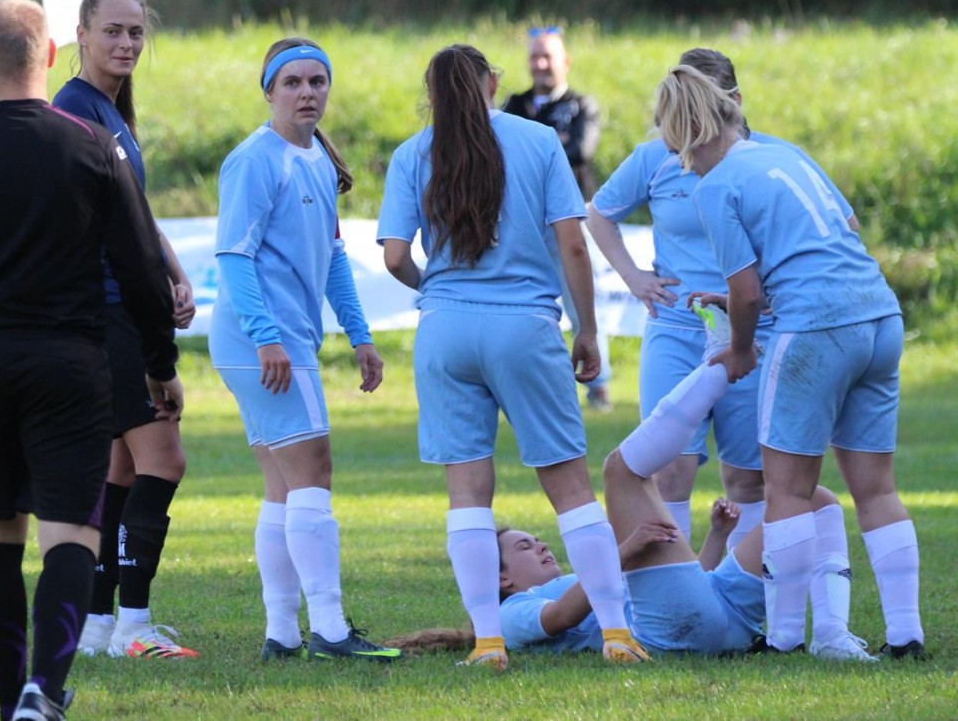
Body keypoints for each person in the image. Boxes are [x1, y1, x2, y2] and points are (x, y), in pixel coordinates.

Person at [0, 0, 181, 721]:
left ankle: (10, 700)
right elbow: (142, 270)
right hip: (70, 365)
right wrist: (160, 365)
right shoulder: (92, 146)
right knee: (72, 533)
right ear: (51, 53)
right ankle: (43, 690)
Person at [378, 44, 646, 670]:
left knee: (468, 494)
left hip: (445, 329)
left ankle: (489, 642)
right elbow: (572, 246)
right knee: (570, 487)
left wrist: (435, 289)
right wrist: (587, 329)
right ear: (493, 83)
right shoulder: (539, 140)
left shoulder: (412, 153)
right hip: (524, 325)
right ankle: (615, 632)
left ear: (432, 95)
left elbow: (393, 257)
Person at [652, 64, 924, 659]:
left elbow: (747, 292)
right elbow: (842, 233)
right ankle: (907, 635)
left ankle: (783, 639)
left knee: (786, 490)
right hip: (878, 315)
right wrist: (751, 300)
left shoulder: (715, 186)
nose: (679, 162)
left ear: (686, 131)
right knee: (876, 488)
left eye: (673, 146)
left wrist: (739, 347)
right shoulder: (787, 155)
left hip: (814, 330)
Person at [388, 329, 866, 660]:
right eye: (524, 547)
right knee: (620, 470)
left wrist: (718, 537)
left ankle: (831, 635)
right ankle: (719, 366)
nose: (541, 544)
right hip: (676, 635)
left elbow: (689, 586)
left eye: (533, 539)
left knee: (814, 500)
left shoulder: (572, 576)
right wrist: (622, 553)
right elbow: (560, 617)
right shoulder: (509, 615)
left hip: (720, 615)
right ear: (504, 579)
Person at [585, 48, 859, 552]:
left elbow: (843, 224)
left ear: (733, 101)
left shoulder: (772, 157)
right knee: (667, 470)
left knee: (749, 478)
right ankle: (676, 589)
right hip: (677, 330)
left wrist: (778, 295)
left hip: (754, 333)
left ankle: (742, 590)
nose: (692, 125)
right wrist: (634, 277)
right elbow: (598, 214)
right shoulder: (654, 156)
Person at [210, 37, 399, 662]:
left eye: (317, 81)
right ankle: (332, 630)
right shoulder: (254, 160)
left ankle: (283, 634)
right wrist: (266, 337)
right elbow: (233, 256)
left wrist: (360, 335)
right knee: (313, 472)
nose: (307, 92)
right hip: (264, 340)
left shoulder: (316, 156)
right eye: (292, 82)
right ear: (269, 91)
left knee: (284, 485)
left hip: (280, 339)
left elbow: (335, 257)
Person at [53, 0, 198, 662]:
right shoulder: (74, 112)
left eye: (136, 32)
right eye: (112, 31)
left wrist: (173, 272)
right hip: (107, 313)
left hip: (118, 309)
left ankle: (96, 622)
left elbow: (133, 215)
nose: (126, 43)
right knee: (164, 459)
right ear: (80, 34)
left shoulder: (109, 110)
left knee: (119, 468)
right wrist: (147, 305)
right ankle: (134, 624)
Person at [501, 26, 611, 410]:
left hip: (569, 219)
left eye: (547, 56)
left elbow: (580, 150)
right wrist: (553, 141)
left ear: (565, 61)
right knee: (522, 303)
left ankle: (598, 384)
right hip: (523, 221)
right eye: (535, 56)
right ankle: (523, 383)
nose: (541, 64)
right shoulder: (514, 104)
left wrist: (537, 145)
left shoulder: (581, 105)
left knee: (583, 301)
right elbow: (500, 153)